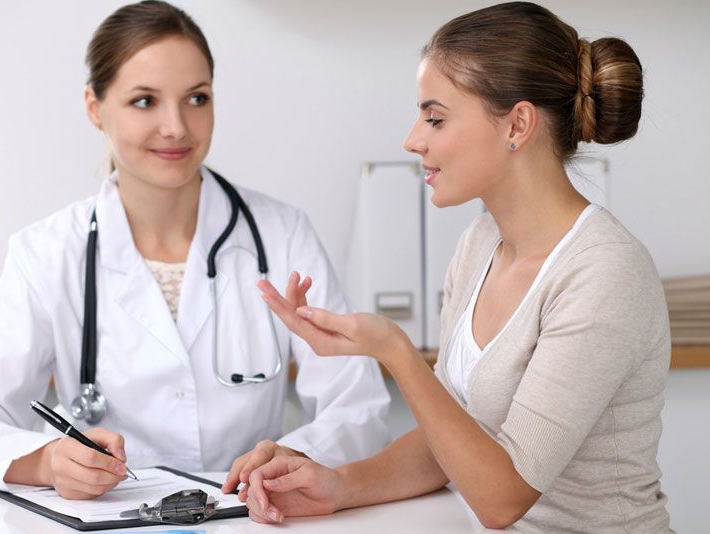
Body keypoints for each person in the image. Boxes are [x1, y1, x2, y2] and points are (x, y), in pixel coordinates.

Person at [0, 0, 390, 500]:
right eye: (145, 101)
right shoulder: (46, 253)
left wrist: (294, 455)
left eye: (196, 99)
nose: (175, 126)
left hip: (246, 514)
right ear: (94, 107)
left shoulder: (282, 235)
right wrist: (48, 461)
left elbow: (358, 407)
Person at [243, 2, 671, 531]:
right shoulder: (480, 244)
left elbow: (500, 498)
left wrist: (395, 352)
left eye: (435, 117)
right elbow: (451, 438)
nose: (413, 139)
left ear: (517, 124)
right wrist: (338, 485)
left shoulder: (604, 273)